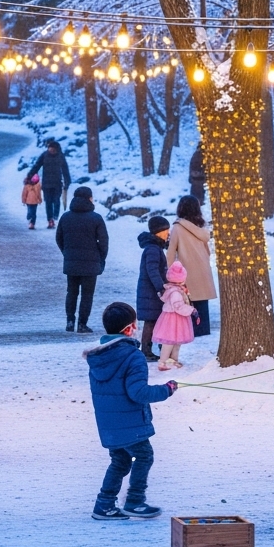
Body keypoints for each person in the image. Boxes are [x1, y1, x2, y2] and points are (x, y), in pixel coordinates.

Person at [86, 301, 178, 520]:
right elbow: (138, 392)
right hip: (130, 423)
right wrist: (167, 389)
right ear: (129, 328)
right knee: (144, 456)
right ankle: (135, 501)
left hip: (109, 424)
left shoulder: (99, 356)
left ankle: (104, 504)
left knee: (120, 460)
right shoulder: (132, 356)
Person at [55, 185, 109, 333]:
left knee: (71, 292)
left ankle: (70, 321)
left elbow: (59, 238)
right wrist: (100, 258)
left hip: (71, 262)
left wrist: (67, 253)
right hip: (91, 264)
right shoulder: (96, 218)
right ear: (89, 199)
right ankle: (82, 324)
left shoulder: (66, 217)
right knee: (87, 295)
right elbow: (104, 242)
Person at [166, 196, 216, 338]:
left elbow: (171, 253)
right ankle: (204, 329)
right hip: (203, 270)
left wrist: (170, 272)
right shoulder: (201, 228)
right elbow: (207, 251)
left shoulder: (177, 227)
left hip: (186, 271)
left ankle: (191, 330)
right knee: (202, 302)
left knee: (188, 302)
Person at [136, 216, 169, 362]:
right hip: (151, 293)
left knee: (155, 320)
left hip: (149, 292)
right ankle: (146, 350)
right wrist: (160, 288)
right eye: (166, 230)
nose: (168, 233)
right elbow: (153, 270)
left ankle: (152, 348)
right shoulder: (153, 249)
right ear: (158, 232)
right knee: (151, 321)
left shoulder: (154, 247)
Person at [152, 261, 195, 371]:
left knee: (177, 341)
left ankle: (173, 360)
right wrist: (191, 310)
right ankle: (162, 362)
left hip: (179, 320)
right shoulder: (175, 292)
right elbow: (178, 306)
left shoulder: (178, 290)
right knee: (169, 342)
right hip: (172, 320)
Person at [26, 139, 71, 229]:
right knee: (48, 202)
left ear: (57, 149)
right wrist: (29, 176)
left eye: (53, 150)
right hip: (46, 184)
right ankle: (50, 220)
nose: (51, 151)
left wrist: (67, 181)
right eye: (49, 149)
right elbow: (37, 166)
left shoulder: (60, 156)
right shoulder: (44, 155)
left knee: (56, 200)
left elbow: (65, 170)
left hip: (57, 183)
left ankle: (55, 216)